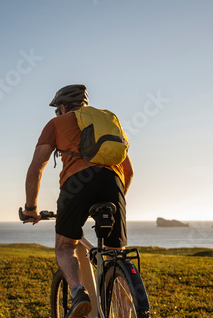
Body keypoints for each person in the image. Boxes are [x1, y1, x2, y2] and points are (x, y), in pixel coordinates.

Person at [21, 84, 134, 318]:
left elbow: (36, 169)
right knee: (116, 255)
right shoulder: (107, 121)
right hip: (114, 183)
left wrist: (31, 208)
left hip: (77, 184)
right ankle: (127, 309)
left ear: (62, 107)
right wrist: (113, 200)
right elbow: (129, 171)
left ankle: (78, 293)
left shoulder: (56, 124)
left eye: (57, 110)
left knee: (65, 246)